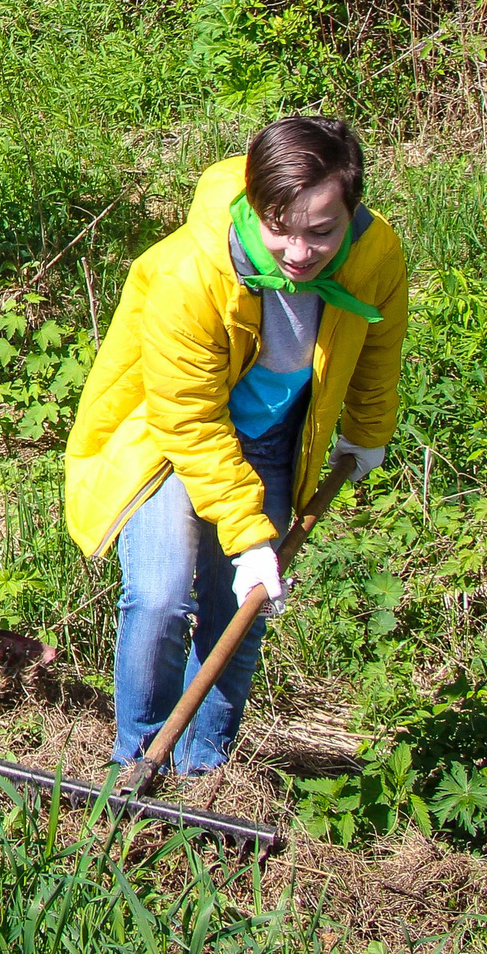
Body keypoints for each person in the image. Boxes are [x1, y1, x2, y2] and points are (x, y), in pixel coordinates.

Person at [63, 115, 406, 775]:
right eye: (280, 226)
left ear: (351, 213)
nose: (299, 250)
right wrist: (250, 537)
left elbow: (378, 346)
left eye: (321, 231)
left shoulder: (375, 254)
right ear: (253, 201)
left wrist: (367, 433)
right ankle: (134, 761)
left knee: (238, 612)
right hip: (168, 443)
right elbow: (190, 420)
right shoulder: (192, 273)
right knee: (160, 596)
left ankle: (203, 774)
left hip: (274, 444)